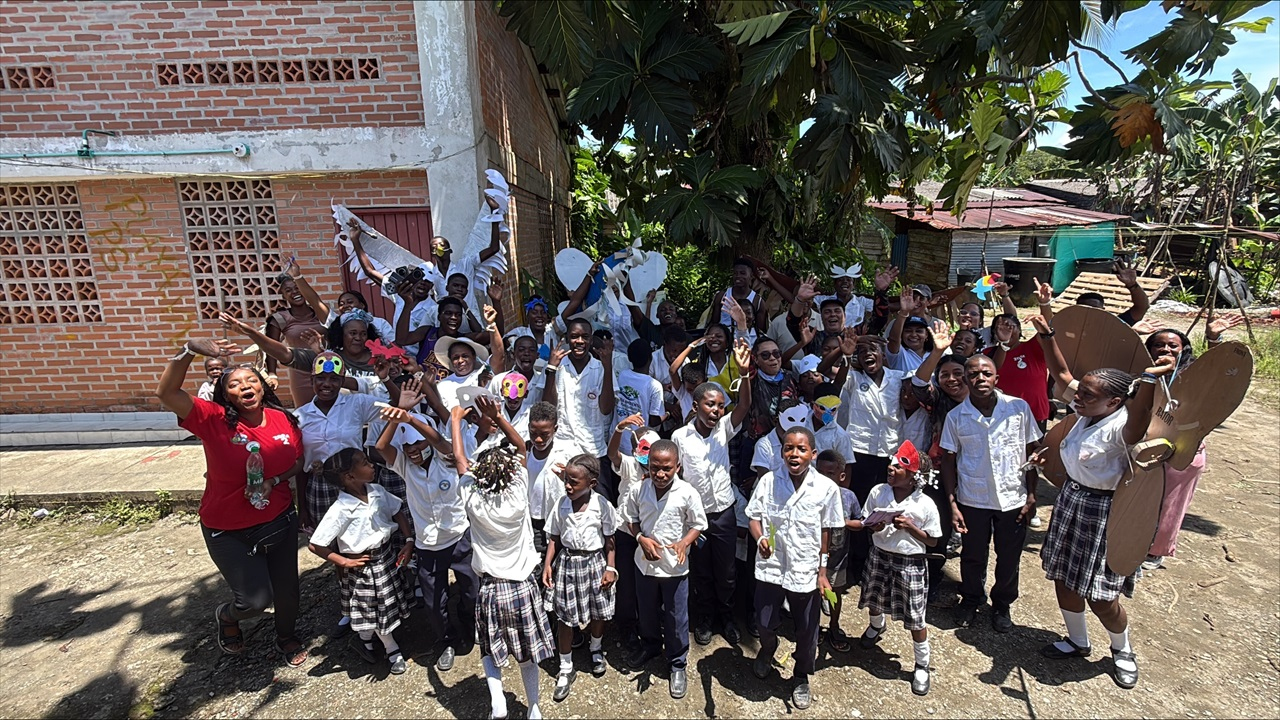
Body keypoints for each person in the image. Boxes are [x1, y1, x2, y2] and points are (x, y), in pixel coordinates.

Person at [154, 337, 307, 667]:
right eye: (235, 384)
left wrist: (274, 481)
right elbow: (167, 394)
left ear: (263, 387)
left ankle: (286, 635)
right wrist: (189, 351)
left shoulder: (285, 420)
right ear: (226, 395)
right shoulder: (213, 419)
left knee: (287, 591)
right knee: (254, 601)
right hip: (227, 528)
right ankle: (227, 616)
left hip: (277, 519)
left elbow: (297, 462)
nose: (246, 386)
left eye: (252, 380)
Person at [1034, 354, 1177, 690]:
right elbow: (1062, 373)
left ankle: (1122, 650)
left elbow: (1141, 417)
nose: (1078, 397)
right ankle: (1077, 641)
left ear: (1115, 401)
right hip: (1071, 501)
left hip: (1103, 512)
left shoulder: (1122, 427)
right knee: (1064, 580)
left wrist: (1149, 379)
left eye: (1087, 394)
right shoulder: (1086, 410)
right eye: (1079, 392)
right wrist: (1047, 332)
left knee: (1101, 596)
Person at [451, 396, 553, 720]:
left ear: (480, 478)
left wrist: (455, 420)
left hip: (492, 589)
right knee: (527, 654)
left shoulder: (473, 501)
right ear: (511, 474)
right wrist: (498, 416)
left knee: (490, 650)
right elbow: (522, 447)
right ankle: (534, 707)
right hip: (523, 587)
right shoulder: (519, 494)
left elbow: (459, 459)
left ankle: (498, 703)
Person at [941, 354, 1042, 633]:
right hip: (973, 498)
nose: (980, 379)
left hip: (1013, 498)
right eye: (973, 374)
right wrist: (953, 503)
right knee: (973, 555)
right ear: (965, 379)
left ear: (996, 378)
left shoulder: (1018, 409)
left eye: (986, 374)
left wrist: (1032, 495)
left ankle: (1002, 604)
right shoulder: (956, 417)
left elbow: (1031, 452)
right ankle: (971, 599)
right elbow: (949, 460)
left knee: (1009, 556)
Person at [375, 394, 476, 672]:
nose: (413, 451)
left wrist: (413, 420)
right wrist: (400, 415)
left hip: (459, 537)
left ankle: (470, 625)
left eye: (418, 444)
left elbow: (443, 443)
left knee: (471, 591)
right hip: (428, 544)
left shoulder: (446, 459)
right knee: (433, 602)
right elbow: (381, 446)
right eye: (407, 448)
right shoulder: (405, 466)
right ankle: (446, 640)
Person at [746, 427, 845, 711]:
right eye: (789, 448)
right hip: (772, 566)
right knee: (763, 621)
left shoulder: (826, 489)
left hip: (805, 567)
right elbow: (754, 517)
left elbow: (826, 530)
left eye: (802, 449)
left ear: (812, 454)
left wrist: (822, 571)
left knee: (806, 628)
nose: (794, 454)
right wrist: (761, 538)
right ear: (781, 452)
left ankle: (801, 674)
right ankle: (768, 648)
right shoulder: (768, 482)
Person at [1139, 316, 1243, 569]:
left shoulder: (1194, 376)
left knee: (1170, 503)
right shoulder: (1143, 373)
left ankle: (1155, 551)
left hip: (1183, 451)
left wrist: (1214, 339)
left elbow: (1222, 373)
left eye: (1173, 345)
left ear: (1183, 350)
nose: (1166, 349)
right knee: (1138, 498)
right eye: (1159, 345)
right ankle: (1129, 542)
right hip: (1143, 447)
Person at [672, 339, 753, 647]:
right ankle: (705, 618)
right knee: (701, 571)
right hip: (697, 516)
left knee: (727, 570)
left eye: (720, 406)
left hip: (723, 512)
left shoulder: (724, 429)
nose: (717, 411)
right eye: (710, 405)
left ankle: (728, 618)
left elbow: (743, 406)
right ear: (695, 406)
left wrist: (744, 374)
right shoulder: (680, 436)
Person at [308, 448, 414, 674]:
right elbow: (316, 544)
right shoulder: (340, 509)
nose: (372, 465)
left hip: (386, 557)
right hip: (365, 567)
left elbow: (398, 512)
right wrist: (343, 562)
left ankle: (364, 639)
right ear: (349, 476)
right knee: (376, 611)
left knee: (382, 608)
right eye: (365, 463)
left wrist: (408, 540)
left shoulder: (377, 491)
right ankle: (391, 648)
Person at [620, 440, 707, 700]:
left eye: (666, 468)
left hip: (675, 568)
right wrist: (640, 539)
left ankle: (677, 662)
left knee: (676, 615)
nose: (660, 474)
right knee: (646, 609)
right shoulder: (638, 490)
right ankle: (650, 645)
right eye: (655, 468)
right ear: (647, 467)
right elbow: (631, 519)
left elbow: (698, 524)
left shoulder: (687, 492)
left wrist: (684, 542)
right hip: (645, 563)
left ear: (677, 467)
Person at [857, 440, 942, 696]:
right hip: (880, 554)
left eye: (898, 466)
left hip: (910, 562)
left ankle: (922, 664)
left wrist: (911, 528)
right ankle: (875, 624)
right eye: (890, 464)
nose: (891, 469)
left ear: (914, 475)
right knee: (874, 596)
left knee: (915, 615)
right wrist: (875, 526)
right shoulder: (878, 492)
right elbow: (866, 519)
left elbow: (933, 540)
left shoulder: (925, 504)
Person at [542, 454, 619, 701]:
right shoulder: (561, 504)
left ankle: (596, 648)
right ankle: (565, 667)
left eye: (574, 482)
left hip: (595, 563)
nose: (568, 486)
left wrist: (611, 568)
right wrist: (547, 565)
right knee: (565, 617)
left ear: (592, 484)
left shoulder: (602, 506)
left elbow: (610, 541)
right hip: (568, 563)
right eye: (566, 480)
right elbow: (554, 537)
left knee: (599, 611)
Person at [550, 318, 617, 499]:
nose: (580, 341)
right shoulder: (559, 367)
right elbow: (548, 406)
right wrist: (551, 369)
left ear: (590, 339)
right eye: (574, 336)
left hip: (593, 447)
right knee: (563, 500)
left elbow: (606, 408)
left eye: (585, 336)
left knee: (602, 500)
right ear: (567, 339)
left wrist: (607, 365)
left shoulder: (600, 368)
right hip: (563, 447)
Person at [816, 449, 864, 654]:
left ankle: (833, 627)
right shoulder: (810, 494)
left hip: (838, 559)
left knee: (834, 593)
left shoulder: (848, 497)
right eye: (819, 473)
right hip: (813, 558)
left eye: (830, 474)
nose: (823, 479)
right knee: (813, 595)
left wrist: (844, 522)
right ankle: (814, 628)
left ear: (841, 476)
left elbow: (861, 522)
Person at [265, 273, 325, 406]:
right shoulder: (280, 318)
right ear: (283, 296)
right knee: (306, 415)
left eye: (297, 288)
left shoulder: (321, 312)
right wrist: (272, 373)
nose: (294, 292)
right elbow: (271, 347)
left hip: (327, 368)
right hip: (301, 374)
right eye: (288, 290)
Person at [615, 340, 665, 453]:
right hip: (637, 443)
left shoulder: (623, 375)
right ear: (650, 358)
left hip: (618, 439)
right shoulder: (654, 386)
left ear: (629, 358)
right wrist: (668, 414)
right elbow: (654, 420)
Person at [1073, 258, 1149, 325]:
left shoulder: (1112, 326)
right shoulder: (1066, 324)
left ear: (1103, 310)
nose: (1089, 313)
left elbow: (1141, 307)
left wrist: (1132, 285)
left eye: (1094, 309)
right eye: (1085, 309)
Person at [708, 258, 764, 331]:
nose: (738, 276)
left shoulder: (758, 301)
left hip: (747, 340)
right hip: (725, 339)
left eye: (742, 273)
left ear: (751, 276)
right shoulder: (721, 296)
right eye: (735, 273)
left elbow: (760, 330)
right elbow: (714, 323)